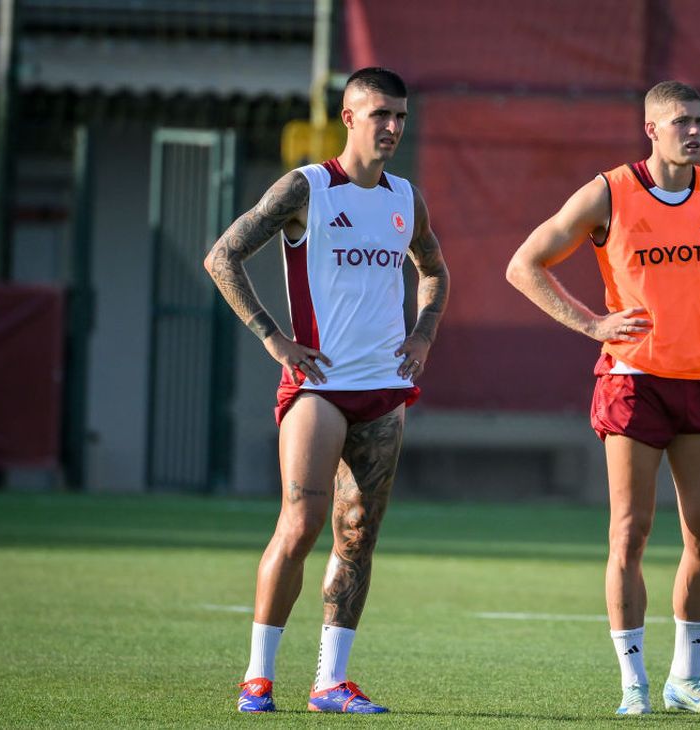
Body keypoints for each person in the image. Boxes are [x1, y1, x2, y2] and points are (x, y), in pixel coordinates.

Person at [506, 80, 700, 716]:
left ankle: (685, 678)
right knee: (630, 533)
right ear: (651, 130)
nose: (694, 131)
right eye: (681, 121)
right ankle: (633, 683)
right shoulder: (610, 192)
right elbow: (525, 264)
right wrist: (591, 324)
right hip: (632, 380)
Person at [203, 67, 449, 714]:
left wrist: (423, 332)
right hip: (318, 389)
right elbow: (223, 256)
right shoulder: (308, 188)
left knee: (359, 536)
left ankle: (330, 683)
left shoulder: (407, 198)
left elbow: (434, 270)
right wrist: (271, 337)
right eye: (379, 115)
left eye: (400, 115)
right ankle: (257, 678)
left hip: (384, 392)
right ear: (348, 118)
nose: (393, 126)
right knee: (302, 523)